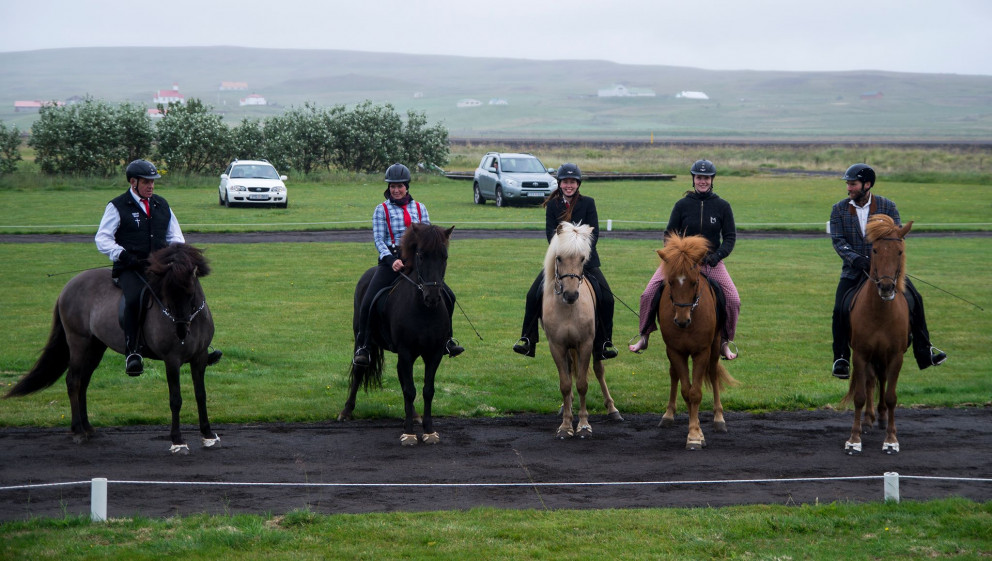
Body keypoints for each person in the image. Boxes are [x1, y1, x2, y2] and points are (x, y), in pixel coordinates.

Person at [95, 159, 222, 376]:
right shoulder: (117, 206)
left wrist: (179, 259)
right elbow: (103, 238)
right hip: (131, 268)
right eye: (146, 182)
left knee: (186, 290)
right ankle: (133, 352)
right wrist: (123, 255)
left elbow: (176, 237)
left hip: (161, 268)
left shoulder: (162, 205)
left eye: (153, 182)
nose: (151, 186)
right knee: (135, 299)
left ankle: (199, 346)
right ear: (133, 182)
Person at [829, 163, 946, 379]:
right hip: (854, 271)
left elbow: (897, 236)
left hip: (886, 270)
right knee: (839, 309)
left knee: (916, 299)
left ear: (867, 184)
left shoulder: (888, 206)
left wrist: (882, 261)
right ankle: (841, 358)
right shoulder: (838, 209)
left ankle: (925, 350)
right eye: (848, 184)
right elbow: (838, 241)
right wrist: (857, 260)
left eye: (852, 184)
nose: (848, 189)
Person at [628, 159, 741, 360]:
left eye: (706, 178)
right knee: (648, 293)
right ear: (693, 179)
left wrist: (717, 256)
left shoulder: (723, 206)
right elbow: (669, 233)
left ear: (712, 179)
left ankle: (725, 340)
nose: (702, 181)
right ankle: (644, 335)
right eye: (699, 177)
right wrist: (673, 256)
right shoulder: (682, 205)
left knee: (733, 299)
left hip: (710, 262)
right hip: (680, 263)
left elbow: (730, 237)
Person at [353, 163, 464, 366]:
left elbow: (430, 237)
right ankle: (364, 346)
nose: (396, 190)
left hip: (416, 263)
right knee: (368, 300)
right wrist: (390, 260)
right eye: (392, 186)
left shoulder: (420, 208)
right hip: (391, 262)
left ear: (407, 187)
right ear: (388, 188)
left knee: (448, 295)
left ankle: (447, 339)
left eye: (400, 186)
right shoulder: (381, 210)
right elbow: (379, 239)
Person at [512, 163, 618, 360]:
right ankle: (527, 339)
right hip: (559, 261)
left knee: (607, 298)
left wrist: (580, 256)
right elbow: (550, 234)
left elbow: (594, 232)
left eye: (572, 182)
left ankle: (605, 342)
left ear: (578, 184)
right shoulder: (553, 205)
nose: (569, 185)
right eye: (565, 182)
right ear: (559, 183)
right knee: (532, 295)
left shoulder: (588, 203)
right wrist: (564, 254)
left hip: (585, 260)